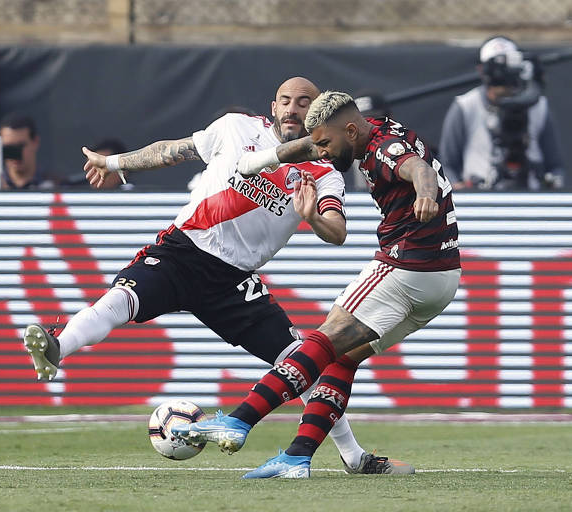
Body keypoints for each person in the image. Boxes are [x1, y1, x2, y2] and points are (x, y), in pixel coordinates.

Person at [23, 77, 408, 474]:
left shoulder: (324, 170)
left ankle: (353, 456)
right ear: (272, 107)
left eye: (304, 102)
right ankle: (58, 346)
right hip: (182, 252)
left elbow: (337, 230)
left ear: (315, 113)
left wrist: (312, 216)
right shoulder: (235, 128)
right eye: (286, 101)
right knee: (118, 300)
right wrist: (114, 163)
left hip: (234, 280)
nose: (293, 108)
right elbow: (171, 152)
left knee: (304, 365)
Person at [173, 90, 460, 479]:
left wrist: (425, 195)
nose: (321, 152)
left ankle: (239, 420)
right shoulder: (369, 129)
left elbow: (418, 171)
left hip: (406, 265)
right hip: (442, 279)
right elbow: (308, 145)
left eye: (326, 144)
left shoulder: (383, 149)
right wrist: (259, 160)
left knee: (319, 342)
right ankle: (297, 457)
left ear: (351, 130)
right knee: (343, 357)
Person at [439, 36, 565, 190]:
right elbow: (447, 163)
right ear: (481, 69)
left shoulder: (538, 105)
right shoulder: (465, 106)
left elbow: (554, 164)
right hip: (479, 194)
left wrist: (553, 183)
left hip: (530, 193)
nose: (501, 75)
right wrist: (456, 187)